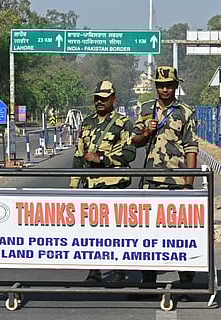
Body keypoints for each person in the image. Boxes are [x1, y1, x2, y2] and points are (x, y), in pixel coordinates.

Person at [132, 66, 198, 301]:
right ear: (156, 87)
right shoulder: (145, 110)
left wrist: (188, 185)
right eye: (161, 85)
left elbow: (191, 148)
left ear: (175, 85)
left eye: (169, 84)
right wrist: (146, 132)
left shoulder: (185, 112)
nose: (165, 89)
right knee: (148, 233)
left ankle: (186, 284)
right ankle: (148, 282)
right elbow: (135, 141)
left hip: (177, 182)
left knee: (180, 234)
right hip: (150, 181)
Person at [69, 80, 136, 282]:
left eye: (104, 98)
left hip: (115, 184)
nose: (100, 102)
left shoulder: (123, 123)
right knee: (92, 230)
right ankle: (94, 270)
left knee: (116, 230)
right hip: (91, 186)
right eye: (97, 98)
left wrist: (104, 159)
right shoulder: (87, 123)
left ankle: (119, 270)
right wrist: (73, 187)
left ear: (113, 100)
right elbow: (79, 155)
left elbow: (130, 153)